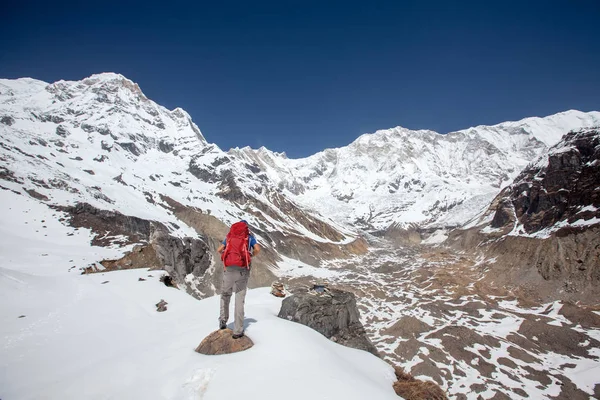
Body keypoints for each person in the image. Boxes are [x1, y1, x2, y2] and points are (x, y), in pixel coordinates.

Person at [216, 220, 261, 339]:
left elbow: (219, 250)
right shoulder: (249, 237)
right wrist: (250, 255)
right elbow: (257, 249)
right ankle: (238, 330)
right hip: (242, 270)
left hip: (229, 269)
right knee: (239, 298)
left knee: (225, 295)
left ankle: (223, 321)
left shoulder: (229, 237)